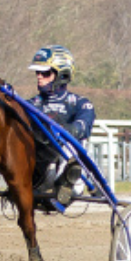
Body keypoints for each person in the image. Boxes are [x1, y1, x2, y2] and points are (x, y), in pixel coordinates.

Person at [28, 45, 96, 204]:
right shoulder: (30, 105)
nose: (39, 77)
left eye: (45, 73)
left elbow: (83, 125)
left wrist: (67, 130)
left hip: (66, 158)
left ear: (62, 74)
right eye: (37, 72)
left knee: (70, 140)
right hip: (37, 167)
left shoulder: (80, 103)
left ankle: (67, 180)